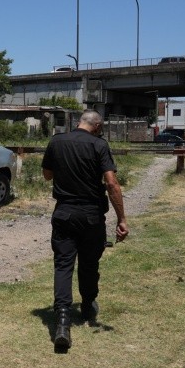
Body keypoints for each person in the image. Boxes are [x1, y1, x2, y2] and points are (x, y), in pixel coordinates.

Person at [41, 110, 129, 350]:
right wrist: (122, 219)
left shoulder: (56, 141)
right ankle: (88, 305)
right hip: (91, 215)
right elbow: (111, 183)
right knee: (89, 264)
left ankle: (61, 322)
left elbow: (47, 175)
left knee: (63, 265)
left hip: (64, 213)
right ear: (97, 126)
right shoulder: (99, 145)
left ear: (79, 122)